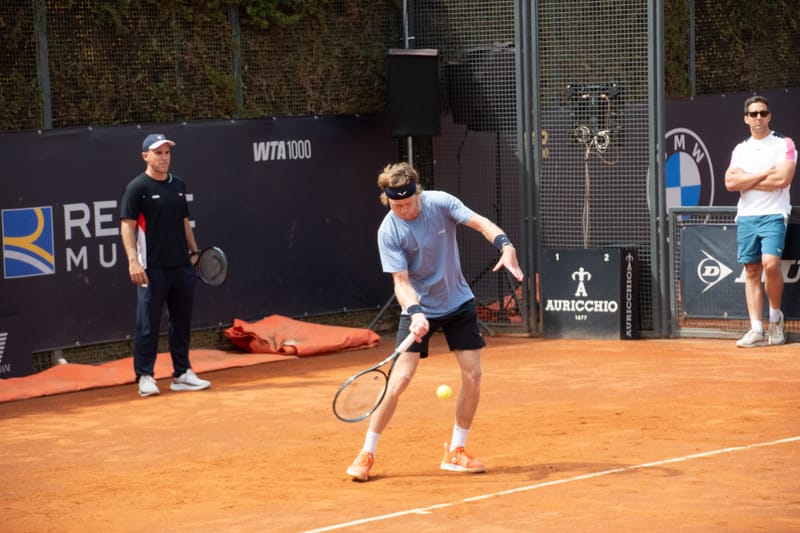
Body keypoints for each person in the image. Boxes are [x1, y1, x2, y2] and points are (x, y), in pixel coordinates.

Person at [346, 162, 524, 481]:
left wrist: (505, 246)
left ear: (418, 193)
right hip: (419, 308)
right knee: (398, 381)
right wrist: (416, 313)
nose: (403, 209)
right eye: (396, 205)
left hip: (458, 301)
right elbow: (401, 282)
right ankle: (367, 452)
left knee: (473, 375)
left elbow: (481, 223)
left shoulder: (440, 202)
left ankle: (456, 450)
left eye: (408, 203)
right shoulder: (389, 231)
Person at [120, 133, 211, 396]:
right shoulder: (137, 188)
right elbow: (127, 226)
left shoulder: (178, 184)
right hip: (151, 267)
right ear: (145, 156)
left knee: (181, 322)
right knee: (147, 323)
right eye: (158, 153)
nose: (164, 158)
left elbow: (184, 222)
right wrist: (133, 261)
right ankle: (145, 375)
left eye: (167, 153)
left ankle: (182, 373)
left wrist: (194, 252)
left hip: (181, 266)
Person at [724, 96, 796, 348]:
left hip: (774, 214)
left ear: (769, 116)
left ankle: (775, 320)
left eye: (762, 113)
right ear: (746, 118)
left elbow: (782, 180)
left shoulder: (784, 143)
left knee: (771, 264)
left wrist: (749, 177)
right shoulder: (740, 149)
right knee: (752, 270)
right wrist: (766, 171)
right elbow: (731, 183)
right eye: (753, 114)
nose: (758, 118)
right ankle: (756, 329)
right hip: (746, 216)